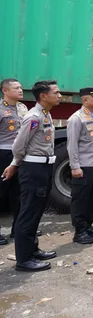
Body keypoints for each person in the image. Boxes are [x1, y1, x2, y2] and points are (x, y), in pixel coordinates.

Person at [1, 80, 61, 271]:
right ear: (44, 96)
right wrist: (14, 164)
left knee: (35, 212)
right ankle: (24, 259)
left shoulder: (44, 114)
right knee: (27, 213)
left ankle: (32, 249)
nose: (60, 96)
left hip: (43, 168)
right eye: (56, 93)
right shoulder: (33, 117)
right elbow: (18, 146)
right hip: (33, 170)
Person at [66, 87, 93, 245]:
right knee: (80, 198)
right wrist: (75, 166)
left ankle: (89, 225)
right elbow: (72, 145)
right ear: (85, 100)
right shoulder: (76, 119)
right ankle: (79, 231)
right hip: (83, 166)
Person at [0, 79, 28, 245]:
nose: (20, 90)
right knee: (1, 191)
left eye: (20, 87)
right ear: (5, 91)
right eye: (16, 88)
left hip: (20, 154)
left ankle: (18, 228)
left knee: (19, 193)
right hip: (3, 153)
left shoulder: (23, 108)